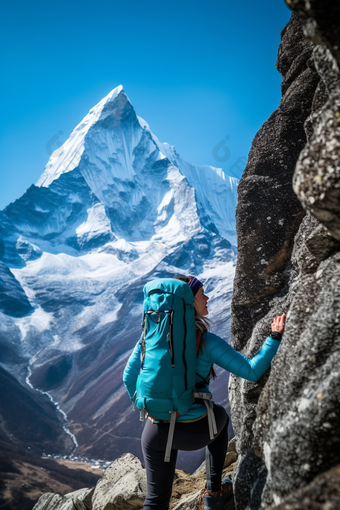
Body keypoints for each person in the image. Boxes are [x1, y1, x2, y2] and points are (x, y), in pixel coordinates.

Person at [123, 275, 285, 510]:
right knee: (220, 416)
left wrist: (143, 405)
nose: (207, 297)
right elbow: (251, 371)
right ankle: (214, 492)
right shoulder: (205, 341)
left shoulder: (149, 337)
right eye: (201, 295)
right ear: (188, 303)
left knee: (155, 502)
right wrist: (275, 337)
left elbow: (128, 377)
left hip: (155, 430)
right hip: (195, 430)